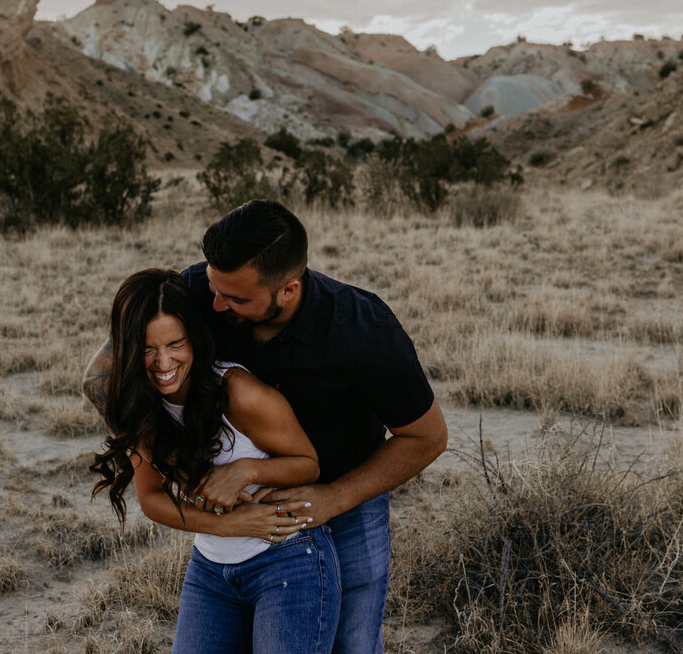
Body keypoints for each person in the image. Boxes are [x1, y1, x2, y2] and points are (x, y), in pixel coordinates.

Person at [85, 201, 448, 654]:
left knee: (353, 643)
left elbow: (428, 436)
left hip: (348, 492)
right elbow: (99, 379)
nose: (216, 305)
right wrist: (179, 462)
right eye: (215, 289)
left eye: (235, 299)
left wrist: (334, 498)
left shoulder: (363, 330)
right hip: (235, 536)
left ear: (288, 289)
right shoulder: (203, 288)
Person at [91, 268, 341, 654]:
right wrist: (228, 525)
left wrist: (245, 470)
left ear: (194, 337)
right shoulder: (141, 406)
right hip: (210, 569)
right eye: (147, 348)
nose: (163, 363)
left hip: (287, 557)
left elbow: (308, 464)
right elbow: (152, 499)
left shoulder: (238, 393)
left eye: (176, 343)